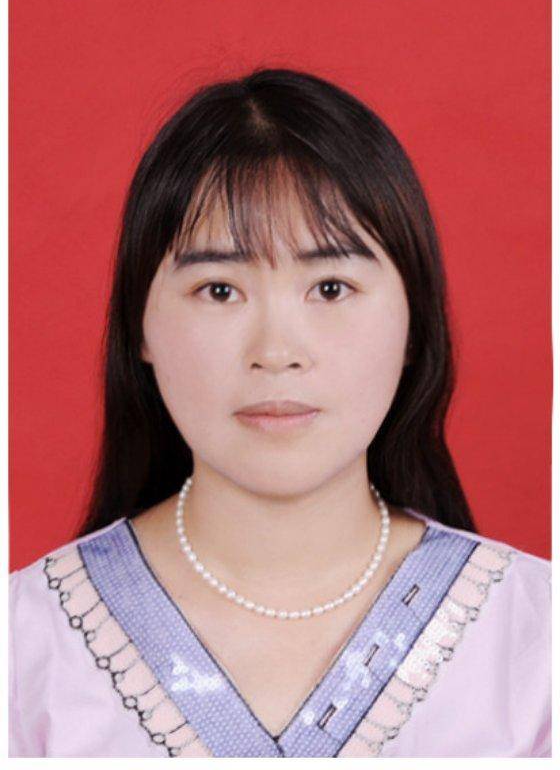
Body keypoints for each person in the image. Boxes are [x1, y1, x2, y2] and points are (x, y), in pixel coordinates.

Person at [9, 68, 551, 758]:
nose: (276, 352)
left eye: (330, 287)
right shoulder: (25, 646)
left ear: (415, 323)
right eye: (219, 290)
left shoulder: (536, 638)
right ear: (139, 327)